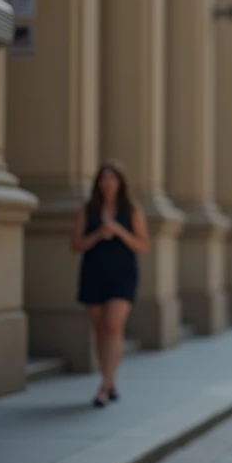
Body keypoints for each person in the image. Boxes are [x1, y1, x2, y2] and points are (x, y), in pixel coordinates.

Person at [71, 161, 149, 408]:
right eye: (103, 178)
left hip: (123, 274)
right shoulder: (88, 210)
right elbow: (75, 245)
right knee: (100, 329)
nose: (108, 183)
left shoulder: (132, 209)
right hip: (94, 272)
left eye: (112, 178)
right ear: (98, 183)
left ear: (120, 183)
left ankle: (104, 386)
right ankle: (110, 381)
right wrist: (97, 235)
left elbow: (143, 245)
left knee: (113, 326)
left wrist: (118, 230)